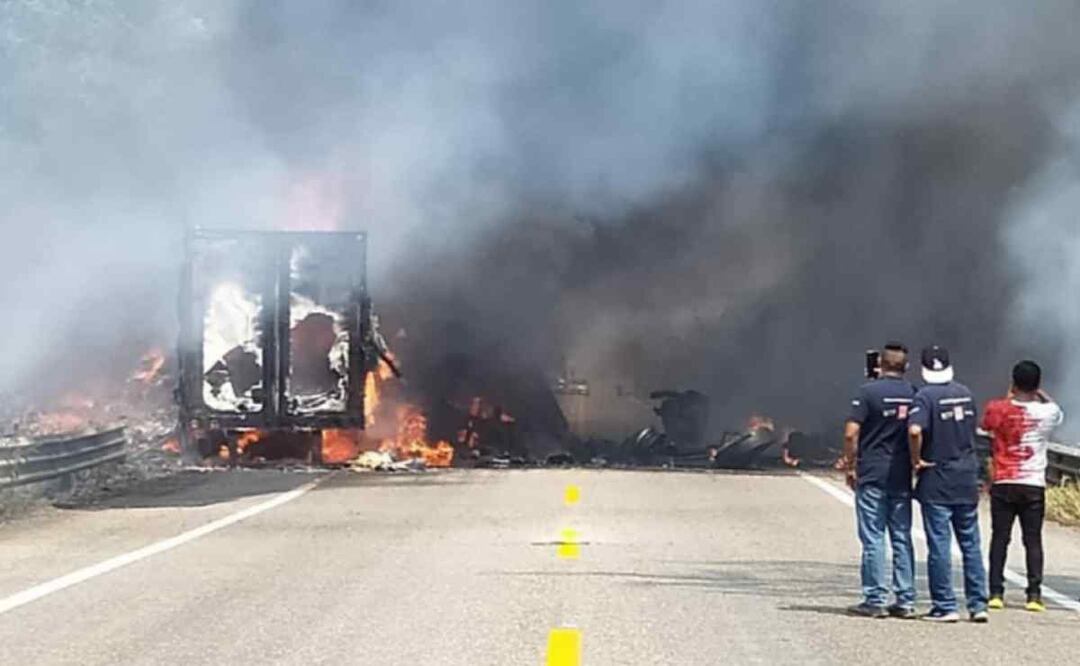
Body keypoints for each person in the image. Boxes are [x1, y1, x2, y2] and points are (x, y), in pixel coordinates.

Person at [908, 345, 989, 623]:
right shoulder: (966, 393)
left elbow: (915, 429)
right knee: (971, 544)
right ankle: (979, 605)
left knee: (940, 545)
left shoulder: (925, 397)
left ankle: (945, 605)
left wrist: (916, 459)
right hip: (966, 476)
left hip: (938, 479)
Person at [981, 360, 1063, 612]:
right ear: (1037, 385)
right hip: (1033, 484)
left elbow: (986, 426)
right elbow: (1054, 408)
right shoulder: (1048, 412)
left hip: (1004, 482)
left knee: (1000, 538)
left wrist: (1010, 395)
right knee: (1033, 540)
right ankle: (1034, 595)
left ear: (1013, 383)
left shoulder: (997, 408)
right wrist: (1036, 391)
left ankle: (995, 592)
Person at [843, 343, 918, 619]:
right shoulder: (914, 394)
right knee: (901, 536)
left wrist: (850, 465)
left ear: (879, 365)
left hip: (873, 473)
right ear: (906, 367)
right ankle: (906, 600)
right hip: (901, 475)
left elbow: (851, 433)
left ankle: (874, 599)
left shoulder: (867, 392)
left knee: (873, 536)